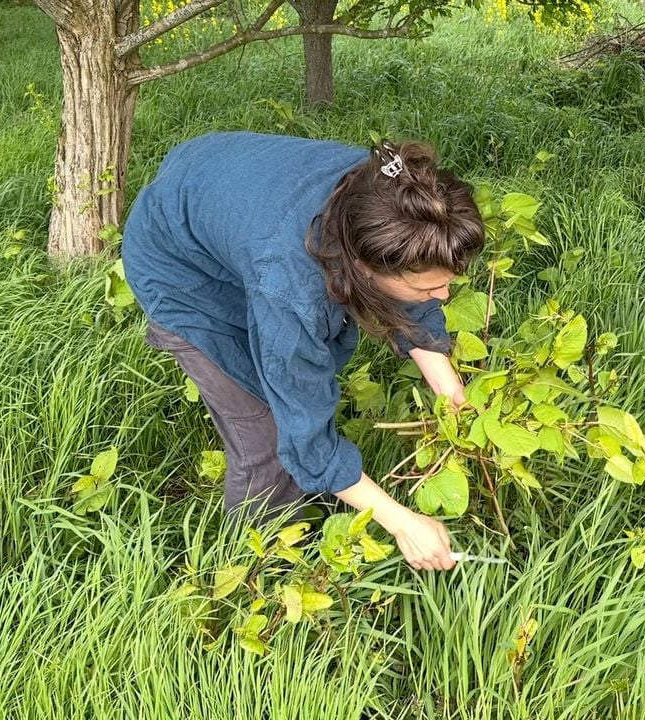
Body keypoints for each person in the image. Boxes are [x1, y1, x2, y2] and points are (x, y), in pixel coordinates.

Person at [121, 131, 484, 572]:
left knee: (288, 381)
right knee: (266, 434)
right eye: (430, 287)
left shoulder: (390, 199)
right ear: (365, 268)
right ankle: (259, 569)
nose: (444, 297)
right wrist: (401, 521)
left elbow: (414, 299)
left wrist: (449, 389)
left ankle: (323, 494)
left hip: (213, 190)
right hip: (177, 266)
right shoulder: (291, 284)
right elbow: (303, 432)